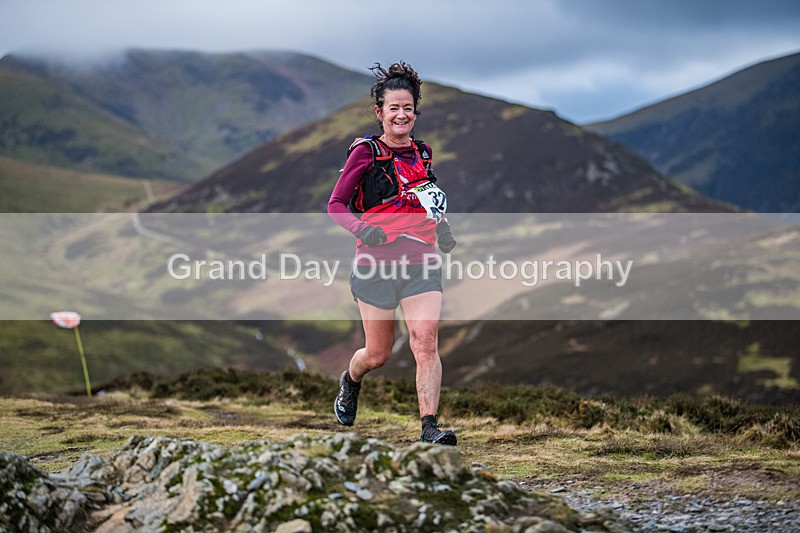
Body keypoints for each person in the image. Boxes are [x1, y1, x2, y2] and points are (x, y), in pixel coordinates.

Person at [327, 61, 458, 445]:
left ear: (416, 111)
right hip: (375, 266)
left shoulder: (423, 153)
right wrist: (363, 228)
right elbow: (336, 204)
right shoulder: (365, 153)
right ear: (379, 112)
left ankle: (429, 427)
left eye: (408, 108)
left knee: (425, 338)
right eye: (393, 108)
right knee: (377, 355)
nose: (401, 115)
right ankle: (350, 381)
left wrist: (444, 230)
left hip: (421, 261)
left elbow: (428, 202)